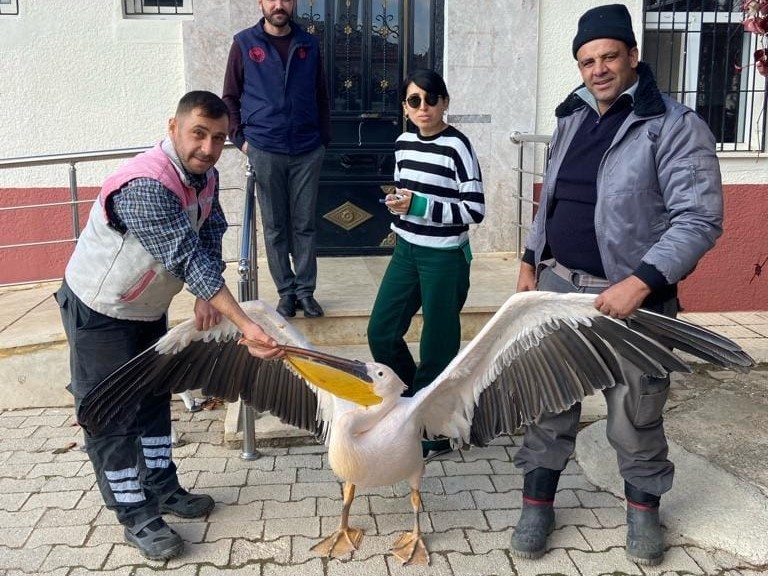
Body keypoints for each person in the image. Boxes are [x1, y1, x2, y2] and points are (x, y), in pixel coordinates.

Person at [510, 4, 723, 566]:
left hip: (634, 304)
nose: (598, 69)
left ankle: (644, 516)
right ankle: (537, 503)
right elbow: (551, 198)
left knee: (636, 413)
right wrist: (531, 259)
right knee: (547, 402)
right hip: (558, 291)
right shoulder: (572, 118)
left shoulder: (675, 127)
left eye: (609, 56)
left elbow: (699, 219)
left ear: (633, 55)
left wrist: (642, 282)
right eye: (587, 60)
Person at [55, 90, 281, 561]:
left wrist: (205, 293)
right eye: (199, 133)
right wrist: (244, 324)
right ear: (173, 127)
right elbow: (184, 256)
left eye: (219, 138)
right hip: (100, 310)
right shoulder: (146, 186)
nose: (208, 147)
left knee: (155, 397)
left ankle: (161, 487)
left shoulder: (205, 176)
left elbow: (212, 227)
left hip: (145, 307)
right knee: (110, 414)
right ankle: (134, 514)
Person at [367, 68, 485, 460]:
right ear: (404, 106)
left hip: (445, 256)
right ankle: (411, 402)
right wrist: (398, 205)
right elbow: (405, 191)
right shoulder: (402, 142)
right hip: (406, 251)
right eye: (414, 100)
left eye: (431, 99)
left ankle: (434, 428)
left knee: (437, 345)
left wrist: (416, 205)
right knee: (382, 331)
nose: (423, 107)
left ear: (445, 102)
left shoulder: (458, 147)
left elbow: (475, 208)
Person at [222, 0, 331, 319]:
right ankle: (285, 292)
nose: (278, 4)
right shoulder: (244, 43)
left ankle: (306, 292)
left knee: (304, 225)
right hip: (265, 147)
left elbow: (321, 94)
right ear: (261, 3)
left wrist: (324, 140)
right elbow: (230, 96)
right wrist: (240, 139)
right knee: (274, 225)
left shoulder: (309, 44)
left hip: (307, 149)